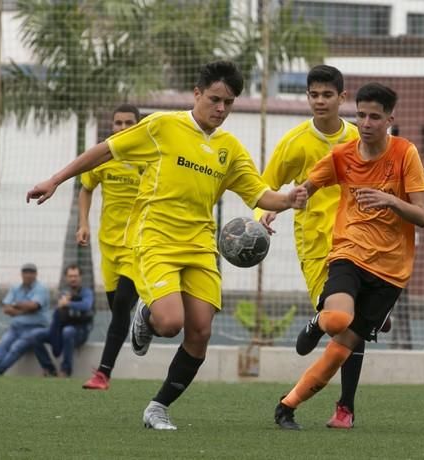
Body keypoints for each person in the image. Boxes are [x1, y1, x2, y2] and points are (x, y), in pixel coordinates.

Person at [27, 61, 308, 430]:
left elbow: (259, 194)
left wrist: (289, 198)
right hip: (156, 237)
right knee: (171, 322)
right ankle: (146, 316)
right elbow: (107, 150)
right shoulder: (163, 126)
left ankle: (158, 406)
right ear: (197, 93)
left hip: (200, 245)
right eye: (214, 99)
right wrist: (55, 179)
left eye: (229, 103)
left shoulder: (231, 149)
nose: (221, 109)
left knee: (201, 331)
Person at [273, 82, 424, 430]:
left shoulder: (405, 154)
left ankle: (287, 406)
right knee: (335, 321)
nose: (367, 123)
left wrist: (391, 200)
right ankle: (317, 322)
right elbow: (307, 187)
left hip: (391, 272)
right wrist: (285, 203)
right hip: (349, 252)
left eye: (375, 116)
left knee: (342, 348)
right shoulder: (343, 156)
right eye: (361, 115)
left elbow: (423, 216)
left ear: (391, 118)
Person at [259, 65, 380, 428]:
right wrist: (266, 212)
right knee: (338, 322)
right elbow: (265, 184)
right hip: (315, 245)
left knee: (354, 325)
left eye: (327, 95)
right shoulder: (296, 142)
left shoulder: (362, 138)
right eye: (314, 95)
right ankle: (317, 322)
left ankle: (345, 407)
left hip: (359, 241)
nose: (320, 101)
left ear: (342, 98)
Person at [78, 104, 144, 390]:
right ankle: (146, 316)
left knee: (120, 307)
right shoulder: (103, 157)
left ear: (138, 125)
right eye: (117, 123)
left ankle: (103, 373)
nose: (121, 128)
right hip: (109, 246)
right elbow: (86, 188)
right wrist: (83, 224)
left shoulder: (149, 157)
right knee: (119, 308)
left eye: (128, 123)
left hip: (139, 243)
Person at [0, 263, 50, 375]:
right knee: (3, 344)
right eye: (26, 272)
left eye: (31, 272)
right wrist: (25, 309)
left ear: (36, 274)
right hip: (16, 327)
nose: (28, 275)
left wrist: (15, 305)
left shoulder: (41, 288)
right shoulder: (15, 287)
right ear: (21, 274)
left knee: (16, 347)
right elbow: (6, 308)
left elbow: (34, 306)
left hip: (34, 328)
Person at [34, 264, 95, 377]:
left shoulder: (86, 292)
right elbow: (59, 312)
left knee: (68, 331)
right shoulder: (63, 293)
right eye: (70, 276)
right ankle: (49, 368)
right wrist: (64, 303)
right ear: (66, 278)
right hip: (61, 329)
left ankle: (65, 370)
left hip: (80, 330)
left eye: (75, 276)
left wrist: (68, 303)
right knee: (36, 335)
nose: (73, 279)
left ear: (80, 277)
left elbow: (86, 305)